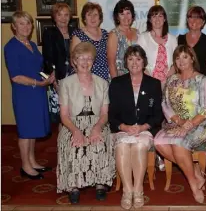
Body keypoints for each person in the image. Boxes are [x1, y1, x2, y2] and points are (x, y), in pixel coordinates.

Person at [57, 42, 115, 204]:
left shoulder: (102, 83)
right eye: (80, 58)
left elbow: (104, 114)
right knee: (74, 144)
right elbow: (64, 115)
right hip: (72, 123)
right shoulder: (66, 83)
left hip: (97, 121)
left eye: (89, 58)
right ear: (74, 61)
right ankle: (73, 186)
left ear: (93, 61)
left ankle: (100, 184)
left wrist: (97, 128)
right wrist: (76, 131)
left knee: (100, 142)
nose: (85, 62)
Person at [154, 45, 206, 204]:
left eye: (185, 57)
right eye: (178, 58)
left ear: (192, 58)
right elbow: (165, 104)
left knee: (179, 143)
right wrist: (179, 121)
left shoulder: (202, 80)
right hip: (174, 123)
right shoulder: (172, 80)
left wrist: (188, 125)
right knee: (158, 142)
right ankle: (194, 171)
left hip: (199, 125)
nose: (181, 61)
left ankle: (193, 184)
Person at [108, 45, 163, 210]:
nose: (134, 62)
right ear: (125, 61)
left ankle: (138, 189)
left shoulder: (154, 84)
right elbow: (112, 115)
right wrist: (124, 127)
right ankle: (127, 190)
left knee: (139, 146)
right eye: (130, 59)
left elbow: (157, 115)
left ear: (144, 61)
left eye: (138, 59)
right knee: (123, 146)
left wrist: (142, 127)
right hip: (122, 129)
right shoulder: (117, 83)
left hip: (144, 129)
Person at [4, 11, 54, 180]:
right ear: (14, 26)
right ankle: (25, 166)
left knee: (32, 129)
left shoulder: (31, 45)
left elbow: (39, 68)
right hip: (24, 94)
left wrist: (49, 78)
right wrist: (39, 83)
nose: (26, 27)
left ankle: (32, 161)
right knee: (25, 131)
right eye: (21, 23)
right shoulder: (10, 47)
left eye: (28, 23)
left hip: (37, 92)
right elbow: (15, 76)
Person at [42, 3, 75, 123]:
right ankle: (63, 141)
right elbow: (48, 58)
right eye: (59, 15)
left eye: (66, 15)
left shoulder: (75, 32)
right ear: (54, 17)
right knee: (62, 116)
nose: (63, 18)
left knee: (75, 113)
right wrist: (54, 81)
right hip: (58, 78)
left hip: (75, 77)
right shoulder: (49, 33)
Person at [137, 5, 177, 85]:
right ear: (150, 19)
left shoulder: (173, 39)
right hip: (148, 82)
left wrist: (166, 80)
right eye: (154, 16)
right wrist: (152, 81)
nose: (157, 19)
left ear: (164, 19)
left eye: (160, 16)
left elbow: (176, 63)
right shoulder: (143, 37)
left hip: (169, 82)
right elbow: (138, 61)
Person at [70, 2, 110, 81]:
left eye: (95, 15)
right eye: (89, 15)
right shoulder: (78, 34)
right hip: (84, 79)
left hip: (104, 80)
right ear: (84, 19)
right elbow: (73, 61)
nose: (93, 18)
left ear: (100, 18)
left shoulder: (106, 34)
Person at [177, 6, 206, 80]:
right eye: (191, 17)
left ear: (203, 22)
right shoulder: (178, 39)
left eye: (198, 18)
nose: (194, 20)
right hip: (184, 81)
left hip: (203, 81)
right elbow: (176, 64)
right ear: (187, 20)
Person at [107, 0, 139, 79]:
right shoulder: (114, 34)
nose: (126, 17)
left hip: (136, 78)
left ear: (132, 15)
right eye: (122, 14)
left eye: (128, 13)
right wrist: (116, 84)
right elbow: (111, 63)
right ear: (117, 17)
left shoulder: (137, 32)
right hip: (120, 80)